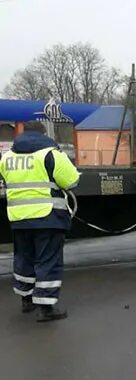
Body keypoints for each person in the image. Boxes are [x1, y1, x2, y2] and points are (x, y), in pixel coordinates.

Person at [0, 121, 80, 321]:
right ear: (43, 134)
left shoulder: (7, 157)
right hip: (47, 217)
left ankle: (26, 301)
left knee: (23, 258)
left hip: (18, 217)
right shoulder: (50, 154)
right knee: (48, 261)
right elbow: (71, 181)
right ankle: (46, 308)